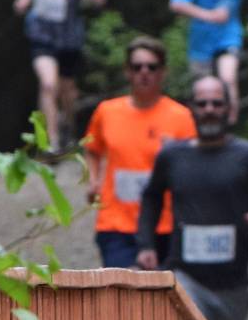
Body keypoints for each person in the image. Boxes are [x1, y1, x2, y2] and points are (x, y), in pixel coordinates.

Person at [135, 75, 248, 320]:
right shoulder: (172, 156)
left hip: (232, 285)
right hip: (184, 276)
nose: (209, 109)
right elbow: (151, 197)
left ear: (228, 110)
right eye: (202, 103)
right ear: (191, 108)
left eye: (216, 103)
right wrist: (146, 243)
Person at [84, 36, 196, 268]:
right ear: (127, 71)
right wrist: (92, 180)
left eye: (151, 67)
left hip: (165, 224)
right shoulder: (106, 112)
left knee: (163, 299)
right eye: (137, 67)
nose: (144, 72)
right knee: (118, 296)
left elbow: (196, 165)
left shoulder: (181, 117)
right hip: (116, 224)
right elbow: (92, 149)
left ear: (162, 72)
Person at [13, 0, 106, 150]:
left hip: (69, 35)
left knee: (68, 92)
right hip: (40, 33)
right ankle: (50, 140)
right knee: (47, 84)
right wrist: (22, 3)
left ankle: (69, 129)